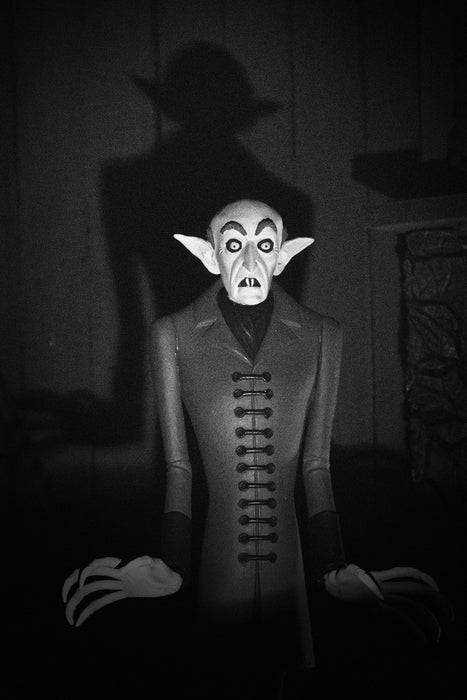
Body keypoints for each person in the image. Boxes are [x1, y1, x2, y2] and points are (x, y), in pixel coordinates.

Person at [63, 200, 443, 694]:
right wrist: (172, 564)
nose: (248, 261)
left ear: (283, 256)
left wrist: (332, 564)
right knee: (223, 677)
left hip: (290, 565)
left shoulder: (323, 334)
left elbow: (316, 465)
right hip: (219, 562)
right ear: (209, 256)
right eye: (233, 244)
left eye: (263, 244)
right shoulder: (172, 334)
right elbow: (179, 466)